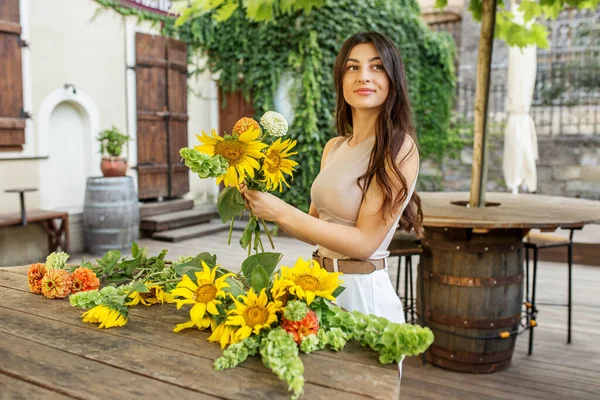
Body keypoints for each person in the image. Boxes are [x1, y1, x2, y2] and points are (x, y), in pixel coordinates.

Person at [241, 31, 423, 375]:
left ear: (393, 79)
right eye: (352, 67)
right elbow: (315, 231)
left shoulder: (399, 148)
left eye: (377, 67)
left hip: (361, 295)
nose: (363, 76)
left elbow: (365, 243)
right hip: (317, 291)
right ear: (341, 80)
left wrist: (280, 210)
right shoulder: (335, 147)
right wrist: (260, 199)